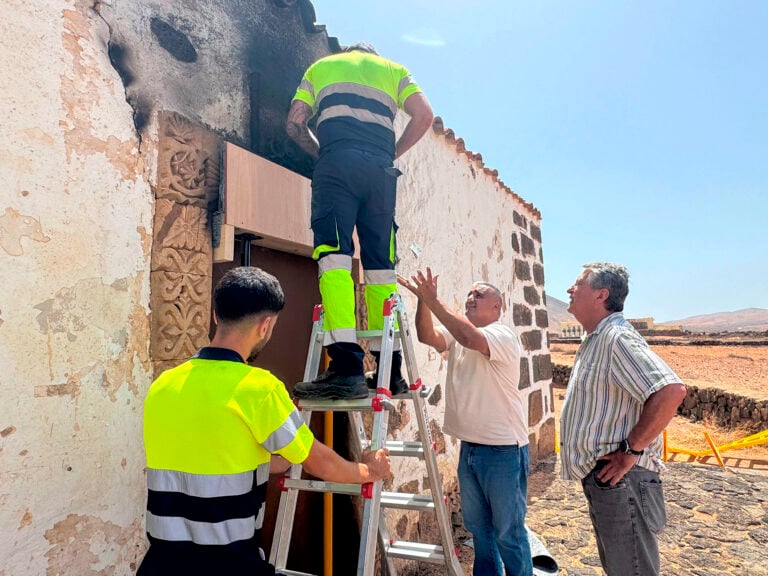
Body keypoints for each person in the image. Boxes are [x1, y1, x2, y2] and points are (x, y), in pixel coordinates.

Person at [138, 267, 391, 575]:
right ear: (266, 325)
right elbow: (319, 462)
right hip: (229, 567)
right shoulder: (260, 388)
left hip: (160, 565)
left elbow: (215, 461)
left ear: (216, 316)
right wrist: (369, 470)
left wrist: (278, 452)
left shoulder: (163, 386)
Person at [286, 41, 434, 400]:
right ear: (371, 53)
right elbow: (425, 116)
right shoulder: (394, 69)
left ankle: (347, 367)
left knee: (334, 258)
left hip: (337, 167)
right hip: (381, 173)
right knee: (381, 266)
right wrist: (390, 153)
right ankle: (391, 370)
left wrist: (325, 155)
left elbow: (294, 124)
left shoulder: (320, 67)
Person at [398, 267, 533, 576]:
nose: (471, 297)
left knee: (508, 534)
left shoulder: (501, 334)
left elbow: (469, 337)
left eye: (479, 294)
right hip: (471, 448)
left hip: (503, 451)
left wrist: (433, 301)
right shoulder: (459, 333)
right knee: (479, 531)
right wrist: (423, 300)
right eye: (469, 293)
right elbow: (426, 335)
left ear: (496, 307)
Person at [559, 262, 687, 576]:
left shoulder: (616, 338)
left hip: (623, 481)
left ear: (601, 295)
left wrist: (631, 450)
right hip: (609, 481)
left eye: (578, 284)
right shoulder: (595, 338)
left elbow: (670, 391)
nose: (569, 290)